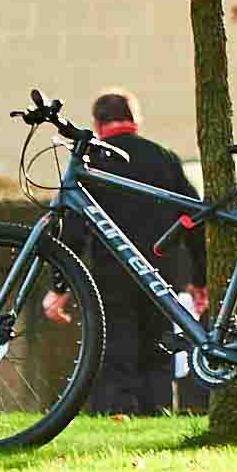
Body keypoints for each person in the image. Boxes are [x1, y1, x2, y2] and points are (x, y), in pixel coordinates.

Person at [66, 89, 205, 416]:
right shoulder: (163, 158)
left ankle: (115, 411)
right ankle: (156, 411)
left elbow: (73, 225)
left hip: (111, 270)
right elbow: (193, 216)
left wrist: (59, 286)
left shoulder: (92, 161)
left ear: (98, 124)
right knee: (159, 347)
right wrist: (200, 278)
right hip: (160, 269)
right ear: (135, 120)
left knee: (114, 346)